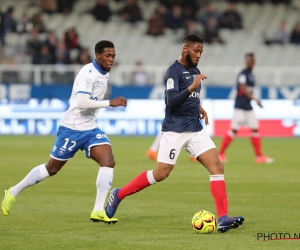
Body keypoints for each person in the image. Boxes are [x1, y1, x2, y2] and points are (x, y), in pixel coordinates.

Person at [105, 33, 244, 233]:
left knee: (217, 166)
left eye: (201, 52)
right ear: (185, 49)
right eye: (196, 50)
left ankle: (222, 218)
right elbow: (171, 101)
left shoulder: (195, 70)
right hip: (174, 130)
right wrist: (191, 87)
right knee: (160, 173)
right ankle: (119, 194)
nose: (199, 55)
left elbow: (190, 97)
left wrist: (199, 108)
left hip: (194, 128)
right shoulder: (173, 71)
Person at [1, 40, 127, 224]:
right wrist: (110, 103)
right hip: (72, 128)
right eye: (107, 56)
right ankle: (13, 191)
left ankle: (98, 210)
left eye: (113, 56)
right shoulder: (88, 73)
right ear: (97, 55)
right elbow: (81, 103)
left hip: (90, 128)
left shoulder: (104, 73)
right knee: (51, 168)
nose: (111, 59)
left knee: (108, 161)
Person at [218, 53, 274, 164]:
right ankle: (220, 154)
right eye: (248, 60)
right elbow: (243, 89)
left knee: (255, 129)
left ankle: (258, 156)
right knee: (234, 130)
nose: (250, 62)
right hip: (240, 107)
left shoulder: (251, 75)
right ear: (246, 61)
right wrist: (255, 99)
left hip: (248, 107)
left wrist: (253, 100)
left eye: (252, 60)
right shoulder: (243, 74)